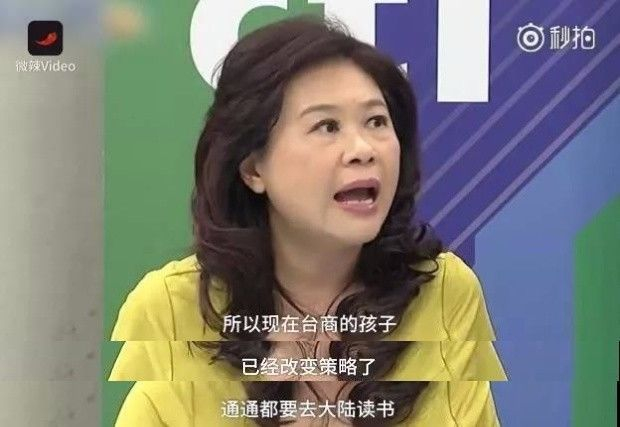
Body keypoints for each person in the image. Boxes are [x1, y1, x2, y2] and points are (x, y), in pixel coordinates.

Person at [108, 14, 506, 426]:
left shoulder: (443, 293)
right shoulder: (176, 308)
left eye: (376, 121)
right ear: (253, 168)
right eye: (326, 126)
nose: (363, 149)